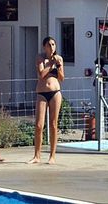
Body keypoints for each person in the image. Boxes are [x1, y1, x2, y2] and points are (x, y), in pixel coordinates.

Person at [30, 36, 64, 165]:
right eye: (49, 45)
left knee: (53, 124)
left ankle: (52, 156)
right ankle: (37, 155)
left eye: (53, 44)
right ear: (44, 46)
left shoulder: (59, 58)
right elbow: (41, 75)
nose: (52, 47)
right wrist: (50, 64)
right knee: (39, 125)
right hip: (42, 93)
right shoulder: (40, 58)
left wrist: (58, 65)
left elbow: (61, 78)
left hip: (55, 93)